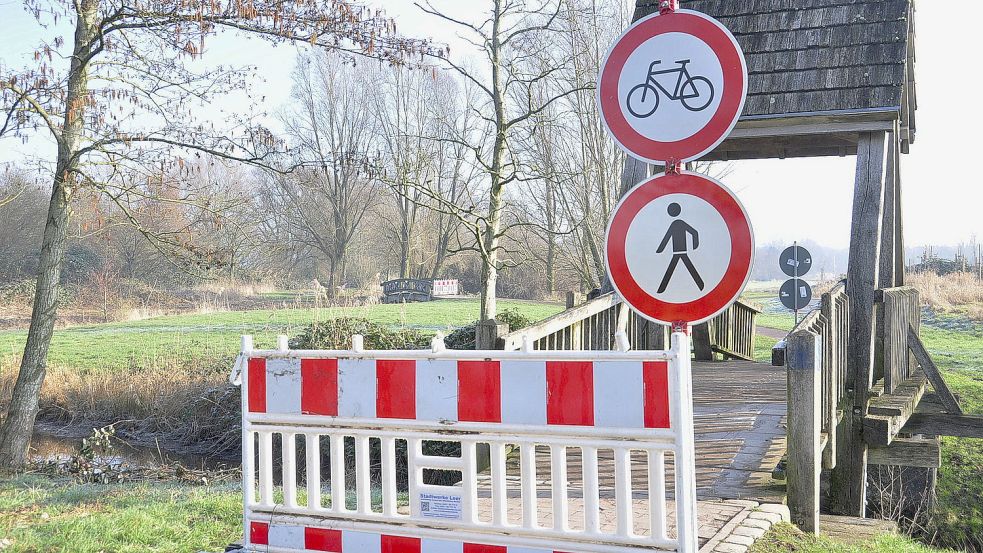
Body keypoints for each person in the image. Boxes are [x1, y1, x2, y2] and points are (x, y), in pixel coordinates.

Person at [656, 202, 704, 293]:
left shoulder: (677, 223)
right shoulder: (677, 223)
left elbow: (667, 237)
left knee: (674, 269)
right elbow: (694, 232)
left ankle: (661, 289)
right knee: (685, 267)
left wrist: (695, 245)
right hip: (678, 252)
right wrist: (660, 249)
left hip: (679, 251)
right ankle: (701, 285)